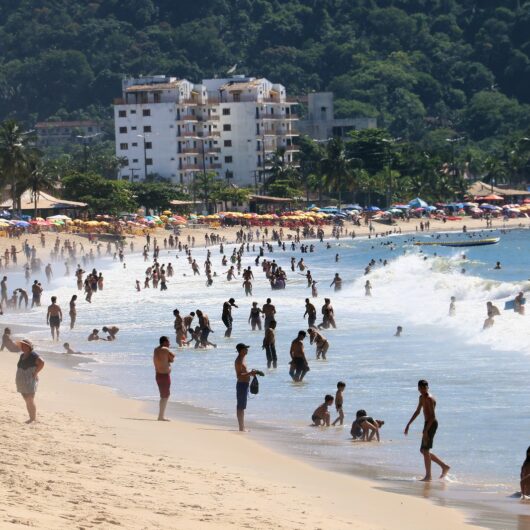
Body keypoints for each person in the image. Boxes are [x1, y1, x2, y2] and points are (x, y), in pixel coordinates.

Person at [404, 379, 450, 481]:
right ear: (418, 389)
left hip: (431, 424)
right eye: (421, 388)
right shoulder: (421, 398)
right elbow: (417, 411)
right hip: (427, 424)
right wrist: (408, 424)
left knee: (425, 450)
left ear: (428, 388)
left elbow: (433, 416)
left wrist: (425, 431)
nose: (423, 390)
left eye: (425, 388)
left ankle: (428, 476)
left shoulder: (429, 399)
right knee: (423, 450)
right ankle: (444, 466)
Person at [15, 339, 44, 424]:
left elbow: (42, 362)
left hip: (29, 380)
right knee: (26, 399)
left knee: (30, 399)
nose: (23, 347)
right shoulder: (22, 355)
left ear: (29, 347)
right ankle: (31, 418)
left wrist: (36, 372)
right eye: (22, 346)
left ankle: (33, 418)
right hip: (21, 381)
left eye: (25, 345)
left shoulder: (33, 355)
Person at [234, 343, 257, 432]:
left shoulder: (243, 358)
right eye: (245, 349)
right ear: (241, 350)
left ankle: (242, 427)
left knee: (242, 407)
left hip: (245, 384)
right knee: (240, 407)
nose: (247, 350)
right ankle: (241, 428)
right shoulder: (238, 361)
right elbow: (239, 375)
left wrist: (251, 373)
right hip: (241, 384)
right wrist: (250, 373)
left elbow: (244, 372)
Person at [153, 336, 175, 421]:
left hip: (158, 375)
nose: (169, 344)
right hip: (165, 375)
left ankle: (161, 416)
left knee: (163, 395)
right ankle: (160, 416)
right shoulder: (166, 349)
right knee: (165, 396)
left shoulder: (155, 350)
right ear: (164, 342)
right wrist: (169, 360)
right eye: (168, 342)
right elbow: (172, 357)